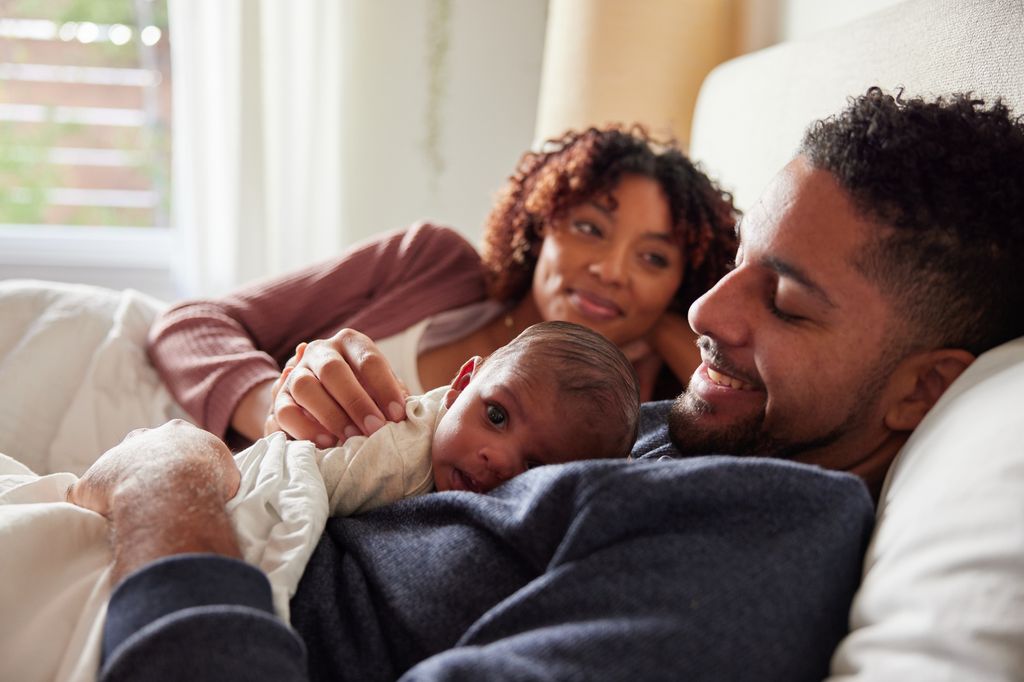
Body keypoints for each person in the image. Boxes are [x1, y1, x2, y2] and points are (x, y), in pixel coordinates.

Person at [79, 89, 1024, 680]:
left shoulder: (762, 535)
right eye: (733, 266)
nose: (705, 314)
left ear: (920, 393)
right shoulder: (675, 431)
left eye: (783, 302)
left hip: (148, 594)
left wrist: (175, 480)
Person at [146, 125, 737, 449]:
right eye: (589, 228)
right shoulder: (431, 260)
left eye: (654, 259)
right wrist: (271, 407)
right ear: (541, 223)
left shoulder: (636, 415)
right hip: (159, 417)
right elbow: (187, 325)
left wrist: (677, 326)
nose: (612, 270)